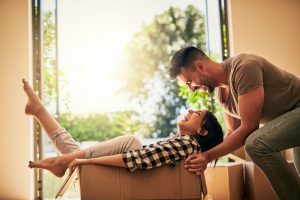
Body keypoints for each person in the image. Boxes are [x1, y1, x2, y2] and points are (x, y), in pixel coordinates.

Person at [169, 46, 300, 200]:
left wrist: (207, 157)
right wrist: (197, 154)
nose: (191, 90)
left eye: (189, 82)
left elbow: (249, 128)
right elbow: (233, 133)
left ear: (200, 66)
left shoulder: (244, 68)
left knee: (255, 144)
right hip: (291, 124)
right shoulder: (221, 96)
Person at [22, 79, 223, 177]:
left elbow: (141, 158)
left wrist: (86, 160)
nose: (189, 110)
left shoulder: (188, 143)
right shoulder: (183, 144)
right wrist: (82, 159)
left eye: (197, 114)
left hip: (137, 176)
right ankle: (40, 113)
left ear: (202, 132)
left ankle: (61, 158)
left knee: (131, 142)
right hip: (136, 174)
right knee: (75, 152)